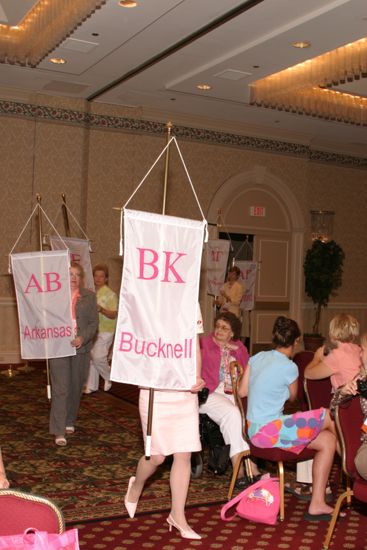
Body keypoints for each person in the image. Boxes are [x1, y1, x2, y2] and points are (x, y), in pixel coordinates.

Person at [241, 316, 337, 520]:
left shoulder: (256, 358)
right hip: (270, 431)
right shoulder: (290, 367)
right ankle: (354, 463)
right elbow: (294, 396)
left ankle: (317, 502)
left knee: (329, 440)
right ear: (296, 341)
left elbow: (241, 392)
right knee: (328, 415)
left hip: (253, 431)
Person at [124, 306, 206, 540]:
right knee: (157, 457)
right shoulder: (149, 296)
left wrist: (196, 376)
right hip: (155, 390)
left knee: (184, 454)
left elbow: (194, 344)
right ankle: (137, 485)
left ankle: (177, 515)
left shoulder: (190, 297)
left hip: (183, 391)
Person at [200, 311, 260, 484]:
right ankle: (240, 468)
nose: (219, 330)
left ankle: (249, 462)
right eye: (218, 326)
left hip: (232, 391)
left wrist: (237, 351)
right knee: (233, 414)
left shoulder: (239, 347)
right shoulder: (204, 344)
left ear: (232, 333)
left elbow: (248, 370)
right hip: (209, 392)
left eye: (224, 328)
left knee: (246, 414)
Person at [49, 262, 98, 446]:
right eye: (70, 274)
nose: (73, 278)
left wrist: (83, 338)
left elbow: (94, 323)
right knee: (61, 388)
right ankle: (58, 430)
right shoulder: (53, 296)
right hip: (58, 347)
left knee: (76, 386)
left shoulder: (89, 297)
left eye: (77, 274)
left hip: (81, 348)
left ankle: (69, 419)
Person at [329, 330, 367, 480]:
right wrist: (343, 391)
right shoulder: (362, 379)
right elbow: (333, 409)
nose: (359, 354)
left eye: (362, 350)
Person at [84, 263, 118, 394]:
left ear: (106, 278)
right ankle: (92, 385)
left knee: (98, 357)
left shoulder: (111, 295)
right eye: (96, 276)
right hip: (93, 329)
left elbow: (114, 314)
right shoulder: (90, 292)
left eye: (101, 276)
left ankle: (109, 377)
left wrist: (101, 309)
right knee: (92, 356)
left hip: (106, 329)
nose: (98, 279)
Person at [304, 314, 361, 390]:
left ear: (333, 332)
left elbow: (307, 374)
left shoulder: (336, 355)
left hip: (346, 399)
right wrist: (325, 359)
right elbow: (344, 365)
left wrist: (316, 358)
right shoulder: (358, 349)